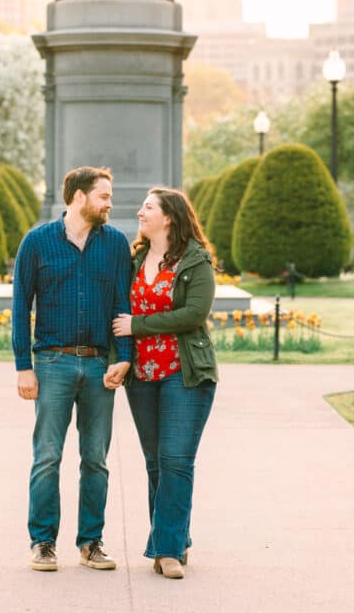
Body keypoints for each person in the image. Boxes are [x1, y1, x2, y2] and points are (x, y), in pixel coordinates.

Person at [12, 166, 132, 572]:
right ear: (79, 197)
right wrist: (23, 366)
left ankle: (91, 542)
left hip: (99, 365)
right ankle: (43, 542)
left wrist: (123, 356)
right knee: (47, 456)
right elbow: (20, 308)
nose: (110, 203)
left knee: (96, 459)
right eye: (104, 196)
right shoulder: (37, 242)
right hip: (52, 363)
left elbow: (122, 304)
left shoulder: (115, 244)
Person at [112, 187, 217, 580]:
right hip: (142, 376)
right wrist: (120, 356)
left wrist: (138, 325)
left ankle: (167, 550)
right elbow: (118, 312)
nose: (140, 212)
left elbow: (194, 314)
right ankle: (175, 538)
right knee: (157, 462)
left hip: (183, 372)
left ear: (169, 216)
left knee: (176, 460)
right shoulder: (136, 259)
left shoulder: (195, 260)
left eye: (148, 207)